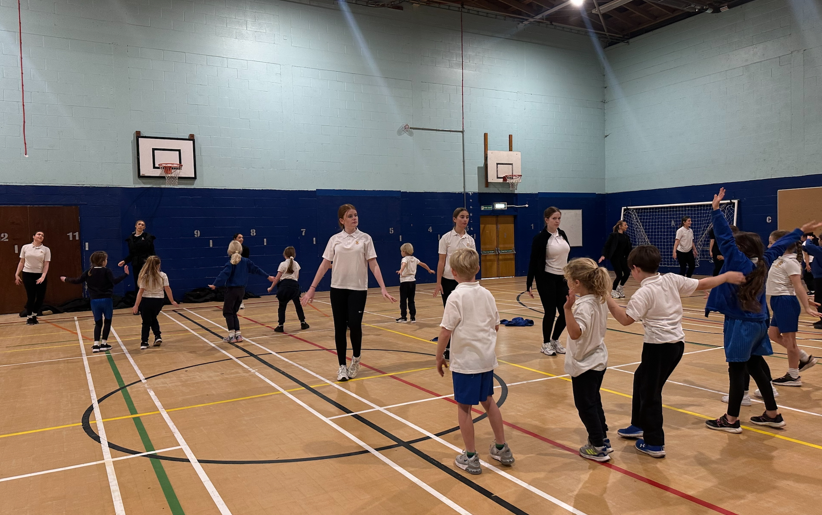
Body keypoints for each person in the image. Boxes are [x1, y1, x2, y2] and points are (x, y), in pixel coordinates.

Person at [605, 244, 744, 457]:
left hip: (658, 348)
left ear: (636, 269)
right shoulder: (670, 279)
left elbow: (625, 319)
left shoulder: (644, 292)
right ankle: (638, 424)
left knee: (650, 392)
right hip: (676, 345)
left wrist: (607, 299)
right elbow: (702, 283)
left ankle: (654, 443)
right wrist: (725, 277)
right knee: (640, 378)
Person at [704, 187, 821, 434]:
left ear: (741, 249)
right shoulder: (764, 261)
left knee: (737, 371)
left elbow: (724, 238)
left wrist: (716, 211)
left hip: (741, 324)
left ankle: (731, 419)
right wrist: (798, 232)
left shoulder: (738, 261)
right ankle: (772, 414)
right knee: (756, 367)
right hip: (759, 322)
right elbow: (779, 246)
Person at [435, 248, 514, 475]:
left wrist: (439, 356)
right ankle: (502, 448)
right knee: (488, 401)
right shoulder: (487, 294)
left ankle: (470, 457)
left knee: (464, 407)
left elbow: (445, 331)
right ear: (477, 268)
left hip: (466, 363)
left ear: (453, 272)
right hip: (485, 360)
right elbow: (496, 325)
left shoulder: (455, 297)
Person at [302, 204, 396, 381]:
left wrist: (383, 287)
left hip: (358, 289)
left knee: (354, 324)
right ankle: (342, 367)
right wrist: (312, 289)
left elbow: (373, 264)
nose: (354, 218)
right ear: (342, 220)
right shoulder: (335, 239)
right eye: (350, 216)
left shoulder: (365, 238)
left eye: (356, 215)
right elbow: (324, 264)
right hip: (337, 288)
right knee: (339, 327)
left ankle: (356, 358)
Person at [563, 258, 612, 462]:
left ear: (576, 283)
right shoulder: (600, 299)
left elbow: (575, 333)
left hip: (586, 364)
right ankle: (603, 438)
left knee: (586, 406)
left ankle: (597, 446)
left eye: (568, 279)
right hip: (597, 360)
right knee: (594, 401)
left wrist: (567, 309)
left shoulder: (583, 306)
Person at [61, 251, 128, 353]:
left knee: (98, 322)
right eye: (106, 259)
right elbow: (114, 281)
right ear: (103, 261)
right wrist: (125, 275)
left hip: (94, 301)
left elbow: (77, 280)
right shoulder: (106, 271)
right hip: (106, 300)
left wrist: (66, 279)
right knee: (107, 321)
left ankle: (96, 344)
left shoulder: (89, 272)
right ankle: (104, 343)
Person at [209, 241, 274, 344]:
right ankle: (238, 334)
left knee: (227, 312)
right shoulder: (246, 261)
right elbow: (256, 269)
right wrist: (268, 276)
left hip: (232, 290)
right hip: (241, 291)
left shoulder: (231, 263)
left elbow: (224, 274)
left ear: (229, 250)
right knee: (233, 312)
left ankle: (231, 335)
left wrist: (215, 284)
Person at [527, 207, 570, 356]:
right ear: (546, 220)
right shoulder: (540, 238)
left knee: (565, 312)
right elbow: (533, 261)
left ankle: (555, 340)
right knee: (550, 312)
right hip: (546, 279)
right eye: (554, 218)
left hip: (562, 278)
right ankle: (545, 343)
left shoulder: (562, 234)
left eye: (559, 218)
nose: (557, 221)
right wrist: (529, 283)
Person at [433, 208, 475, 360]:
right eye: (462, 217)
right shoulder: (446, 238)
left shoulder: (470, 240)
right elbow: (441, 261)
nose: (465, 220)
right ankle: (449, 347)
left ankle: (464, 345)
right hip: (448, 281)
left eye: (467, 217)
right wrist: (438, 282)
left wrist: (473, 281)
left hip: (465, 282)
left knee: (465, 315)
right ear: (454, 219)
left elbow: (473, 263)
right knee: (450, 315)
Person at [133, 256, 180, 350]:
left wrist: (136, 305)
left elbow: (141, 291)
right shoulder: (163, 275)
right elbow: (167, 289)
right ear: (158, 265)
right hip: (158, 301)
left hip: (146, 300)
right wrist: (172, 300)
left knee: (146, 321)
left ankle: (144, 342)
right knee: (153, 318)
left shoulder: (145, 276)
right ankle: (157, 336)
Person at [267, 246, 309, 333]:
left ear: (284, 254)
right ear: (294, 254)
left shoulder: (282, 264)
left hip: (284, 286)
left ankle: (280, 325)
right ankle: (303, 322)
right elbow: (297, 277)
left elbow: (277, 278)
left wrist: (271, 287)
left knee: (282, 307)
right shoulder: (296, 264)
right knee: (298, 305)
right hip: (294, 286)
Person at [15, 231, 51, 325]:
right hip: (28, 274)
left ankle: (34, 315)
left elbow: (46, 264)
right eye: (39, 234)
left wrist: (43, 276)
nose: (41, 236)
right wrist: (17, 274)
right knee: (31, 297)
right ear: (33, 236)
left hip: (40, 275)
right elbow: (21, 261)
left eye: (42, 235)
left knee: (40, 297)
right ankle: (29, 317)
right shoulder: (25, 247)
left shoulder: (46, 249)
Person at [396, 242, 434, 323]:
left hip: (405, 282)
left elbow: (404, 264)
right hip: (412, 282)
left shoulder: (405, 259)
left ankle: (403, 317)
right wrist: (429, 270)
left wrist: (400, 270)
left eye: (401, 251)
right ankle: (413, 317)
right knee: (411, 300)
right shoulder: (414, 259)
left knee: (403, 300)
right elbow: (423, 264)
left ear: (404, 251)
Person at [118, 220, 156, 297]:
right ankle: (138, 300)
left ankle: (149, 299)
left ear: (144, 227)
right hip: (136, 264)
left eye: (142, 225)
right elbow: (132, 254)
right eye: (139, 224)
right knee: (138, 282)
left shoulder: (148, 237)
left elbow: (152, 251)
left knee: (147, 281)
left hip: (146, 263)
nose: (140, 226)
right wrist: (125, 261)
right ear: (135, 226)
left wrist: (154, 263)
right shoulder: (130, 239)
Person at [599, 220, 632, 299]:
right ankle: (613, 290)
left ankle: (620, 287)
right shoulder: (613, 235)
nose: (627, 226)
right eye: (625, 225)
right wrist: (604, 255)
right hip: (615, 258)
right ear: (620, 226)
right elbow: (607, 246)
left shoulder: (626, 237)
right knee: (619, 275)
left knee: (627, 273)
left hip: (623, 258)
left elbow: (629, 248)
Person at [803, 235, 822, 330]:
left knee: (819, 299)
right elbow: (806, 249)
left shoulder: (820, 250)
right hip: (819, 278)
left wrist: (809, 239)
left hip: (820, 278)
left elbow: (809, 246)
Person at [234, 233, 250, 309]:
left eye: (242, 237)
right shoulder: (232, 248)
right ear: (235, 239)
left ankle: (240, 301)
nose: (241, 239)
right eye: (239, 237)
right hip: (234, 268)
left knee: (241, 286)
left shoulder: (245, 249)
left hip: (242, 269)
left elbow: (246, 260)